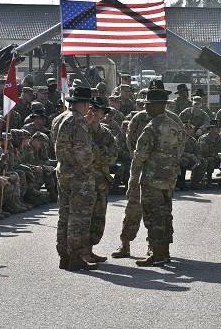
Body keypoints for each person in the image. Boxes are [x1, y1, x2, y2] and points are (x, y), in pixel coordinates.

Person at [112, 80, 182, 259]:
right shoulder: (138, 118)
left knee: (159, 211)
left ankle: (156, 248)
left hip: (157, 173)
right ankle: (125, 243)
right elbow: (131, 143)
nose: (147, 106)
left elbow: (180, 146)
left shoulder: (173, 119)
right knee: (133, 208)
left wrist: (156, 161)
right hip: (139, 173)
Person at [129, 87, 185, 266]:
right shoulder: (175, 125)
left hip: (152, 179)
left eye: (149, 105)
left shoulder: (151, 127)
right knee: (166, 214)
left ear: (157, 106)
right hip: (169, 178)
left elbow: (140, 155)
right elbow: (181, 148)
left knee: (153, 217)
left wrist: (135, 174)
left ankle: (156, 253)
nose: (146, 109)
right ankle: (165, 250)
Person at [53, 86, 97, 271]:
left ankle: (64, 255)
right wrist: (90, 168)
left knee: (65, 214)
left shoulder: (60, 118)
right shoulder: (78, 121)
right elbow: (81, 151)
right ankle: (76, 256)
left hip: (63, 170)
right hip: (79, 174)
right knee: (79, 217)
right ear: (85, 103)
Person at [86, 97, 118, 264]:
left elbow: (113, 155)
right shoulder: (83, 130)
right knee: (84, 216)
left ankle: (90, 250)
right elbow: (83, 153)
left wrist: (96, 152)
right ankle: (81, 252)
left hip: (102, 180)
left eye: (100, 111)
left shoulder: (105, 132)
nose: (97, 113)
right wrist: (100, 153)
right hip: (85, 180)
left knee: (99, 216)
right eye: (93, 109)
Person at [199, 120, 221, 189]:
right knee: (210, 160)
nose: (219, 129)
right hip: (208, 158)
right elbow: (205, 152)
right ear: (211, 129)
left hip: (220, 159)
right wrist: (218, 156)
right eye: (217, 127)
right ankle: (209, 180)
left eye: (219, 127)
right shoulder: (204, 138)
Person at [177, 121, 208, 191]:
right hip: (178, 159)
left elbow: (198, 151)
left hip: (190, 160)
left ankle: (195, 183)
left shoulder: (192, 140)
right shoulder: (178, 139)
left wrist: (198, 159)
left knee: (204, 162)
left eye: (189, 129)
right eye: (186, 129)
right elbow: (177, 151)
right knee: (184, 160)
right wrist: (191, 156)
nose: (188, 130)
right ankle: (180, 183)